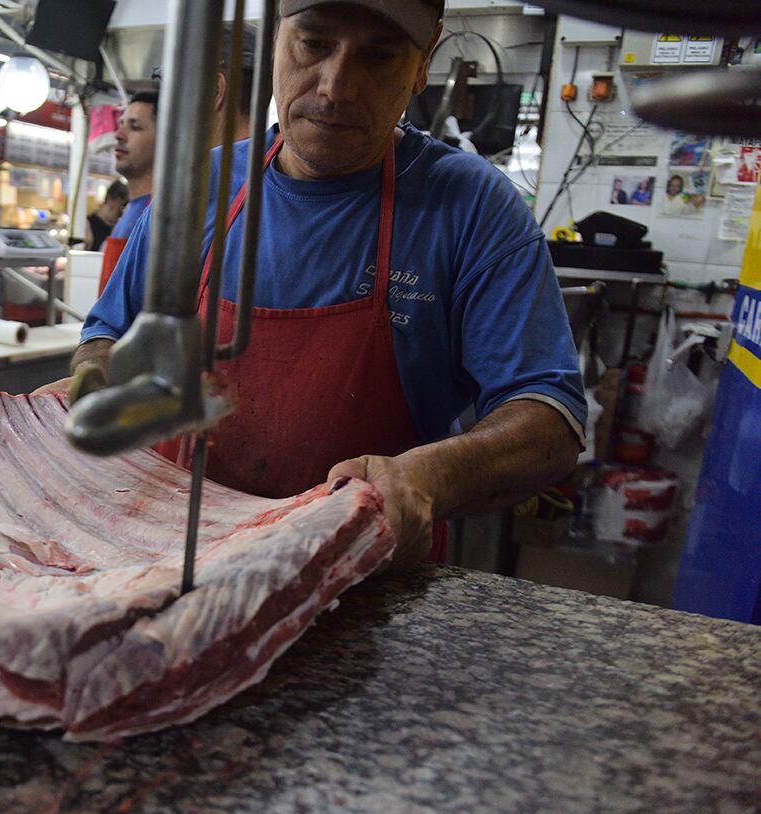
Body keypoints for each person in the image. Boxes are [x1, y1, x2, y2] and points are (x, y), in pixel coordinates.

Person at [44, 0, 586, 572]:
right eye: (314, 44)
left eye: (378, 57)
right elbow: (108, 334)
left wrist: (424, 479)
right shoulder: (198, 186)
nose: (335, 87)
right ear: (275, 36)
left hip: (360, 580)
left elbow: (548, 417)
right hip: (167, 559)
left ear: (424, 62)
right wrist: (92, 380)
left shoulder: (471, 206)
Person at [98, 91, 158, 292]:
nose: (118, 135)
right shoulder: (132, 211)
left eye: (135, 127)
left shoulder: (160, 218)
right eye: (121, 124)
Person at [86, 181, 128, 252]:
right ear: (109, 199)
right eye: (122, 205)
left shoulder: (119, 227)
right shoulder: (88, 224)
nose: (122, 211)